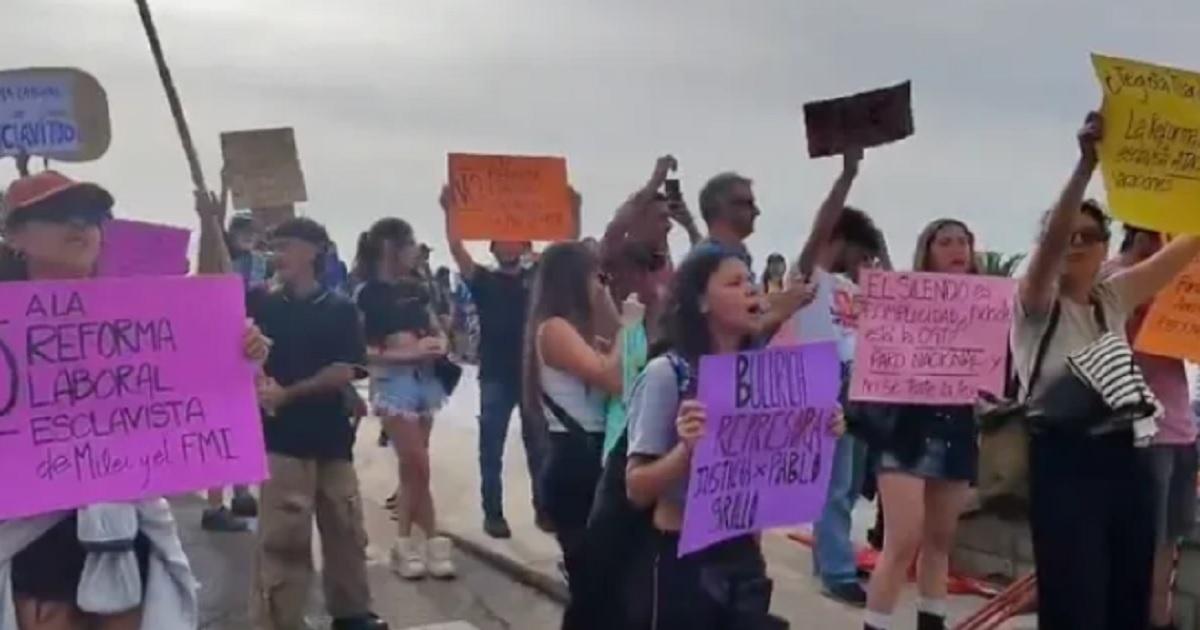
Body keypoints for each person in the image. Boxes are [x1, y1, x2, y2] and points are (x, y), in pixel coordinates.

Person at [0, 170, 269, 630]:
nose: (80, 226)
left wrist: (241, 351)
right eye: (58, 214)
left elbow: (202, 391)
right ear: (15, 235)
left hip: (126, 524)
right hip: (32, 534)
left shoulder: (142, 317)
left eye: (92, 215)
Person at [1015, 112, 1200, 629]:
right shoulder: (1034, 304)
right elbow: (1050, 250)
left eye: (1089, 236)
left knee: (1127, 595)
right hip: (1064, 456)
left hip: (1127, 458)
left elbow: (1183, 249)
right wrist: (1085, 165)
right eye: (1067, 234)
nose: (1075, 243)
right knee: (1075, 596)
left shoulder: (1110, 299)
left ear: (1103, 247)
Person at [623, 247, 843, 628]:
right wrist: (685, 452)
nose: (751, 290)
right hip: (683, 560)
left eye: (751, 281)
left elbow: (777, 472)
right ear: (701, 301)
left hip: (744, 559)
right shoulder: (667, 375)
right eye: (735, 282)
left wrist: (821, 431)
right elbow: (636, 488)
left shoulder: (767, 379)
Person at [248, 217, 388, 630]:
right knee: (282, 542)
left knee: (346, 533)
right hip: (281, 441)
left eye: (286, 245)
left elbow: (345, 369)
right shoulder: (260, 305)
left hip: (332, 440)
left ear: (312, 251)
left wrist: (288, 393)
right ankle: (279, 621)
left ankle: (352, 614)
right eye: (273, 247)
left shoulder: (342, 309)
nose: (277, 256)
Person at [861, 219, 980, 630]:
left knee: (941, 540)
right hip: (905, 428)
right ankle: (875, 625)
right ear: (927, 251)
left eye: (962, 241)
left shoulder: (987, 307)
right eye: (944, 242)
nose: (955, 249)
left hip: (957, 426)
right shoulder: (904, 299)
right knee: (902, 540)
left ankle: (932, 623)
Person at [788, 148, 887, 607]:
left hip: (859, 385)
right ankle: (837, 570)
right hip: (826, 381)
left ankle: (827, 560)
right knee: (837, 483)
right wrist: (848, 174)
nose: (868, 260)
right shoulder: (811, 279)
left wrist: (879, 251)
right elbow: (820, 228)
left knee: (843, 481)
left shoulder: (853, 288)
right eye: (862, 250)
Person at [440, 185, 549, 539]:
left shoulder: (536, 281)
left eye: (515, 239)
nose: (508, 245)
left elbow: (568, 252)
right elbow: (458, 251)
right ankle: (493, 513)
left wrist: (570, 209)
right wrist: (450, 212)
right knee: (491, 448)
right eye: (502, 239)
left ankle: (543, 509)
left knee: (539, 448)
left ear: (526, 245)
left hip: (531, 375)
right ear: (493, 247)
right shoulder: (483, 280)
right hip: (495, 377)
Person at [1105, 224, 1197, 630]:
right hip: (1138, 428)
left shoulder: (1185, 276)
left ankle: (1158, 619)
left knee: (1170, 537)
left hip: (1180, 425)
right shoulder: (1112, 277)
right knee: (1142, 539)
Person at [355, 218, 457, 580]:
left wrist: (437, 344)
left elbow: (438, 329)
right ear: (390, 247)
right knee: (417, 462)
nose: (416, 249)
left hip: (427, 380)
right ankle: (418, 539)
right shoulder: (366, 294)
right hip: (393, 382)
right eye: (410, 241)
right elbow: (362, 352)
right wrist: (407, 354)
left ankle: (417, 542)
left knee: (412, 468)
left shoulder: (419, 288)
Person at [521, 242, 622, 605]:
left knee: (604, 588)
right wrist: (631, 324)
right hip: (574, 460)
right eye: (595, 276)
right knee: (594, 592)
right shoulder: (555, 330)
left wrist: (610, 310)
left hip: (591, 456)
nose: (601, 284)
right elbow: (612, 378)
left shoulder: (580, 332)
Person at [599, 155, 702, 342]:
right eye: (661, 218)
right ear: (639, 222)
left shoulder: (663, 267)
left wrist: (690, 226)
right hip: (621, 362)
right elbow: (616, 227)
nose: (669, 226)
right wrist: (654, 183)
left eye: (669, 219)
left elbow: (706, 266)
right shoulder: (618, 259)